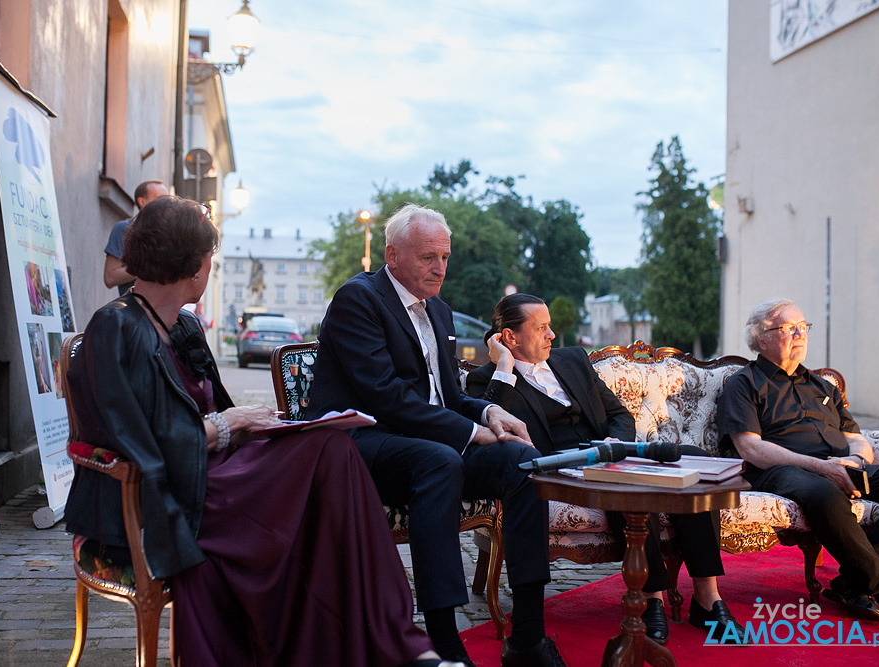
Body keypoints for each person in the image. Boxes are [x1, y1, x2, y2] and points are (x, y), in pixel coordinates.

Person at [65, 196, 460, 667]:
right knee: (324, 465)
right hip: (162, 495)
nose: (211, 267)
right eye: (210, 258)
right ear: (193, 267)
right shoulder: (115, 326)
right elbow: (141, 443)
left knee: (330, 447)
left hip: (210, 473)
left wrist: (261, 424)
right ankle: (379, 645)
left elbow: (218, 421)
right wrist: (227, 424)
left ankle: (387, 639)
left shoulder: (183, 325)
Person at [306, 204, 567, 667]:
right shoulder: (359, 299)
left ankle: (527, 636)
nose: (440, 268)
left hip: (424, 441)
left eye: (444, 257)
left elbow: (444, 396)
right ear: (392, 254)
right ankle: (443, 641)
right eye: (428, 257)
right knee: (440, 460)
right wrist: (468, 432)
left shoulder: (439, 312)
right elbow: (384, 397)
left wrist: (488, 414)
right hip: (359, 442)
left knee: (522, 460)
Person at [466, 293, 742, 644]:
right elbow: (496, 427)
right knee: (626, 488)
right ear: (509, 337)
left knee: (689, 462)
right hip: (564, 469)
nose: (551, 335)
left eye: (550, 326)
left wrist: (613, 448)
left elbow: (618, 415)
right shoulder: (487, 381)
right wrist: (504, 366)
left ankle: (708, 597)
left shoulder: (572, 360)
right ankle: (652, 599)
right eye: (541, 328)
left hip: (612, 452)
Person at [718, 298, 879, 622]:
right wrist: (820, 467)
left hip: (840, 465)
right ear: (762, 338)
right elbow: (750, 449)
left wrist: (855, 461)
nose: (800, 333)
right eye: (789, 328)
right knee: (823, 491)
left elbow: (854, 435)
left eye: (804, 327)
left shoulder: (821, 383)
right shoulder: (744, 383)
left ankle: (851, 583)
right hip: (781, 470)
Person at [103, 180, 169, 293]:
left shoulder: (172, 232)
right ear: (142, 202)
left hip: (168, 308)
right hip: (136, 307)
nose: (167, 204)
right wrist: (148, 266)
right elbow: (110, 278)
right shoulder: (125, 229)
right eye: (161, 199)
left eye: (168, 200)